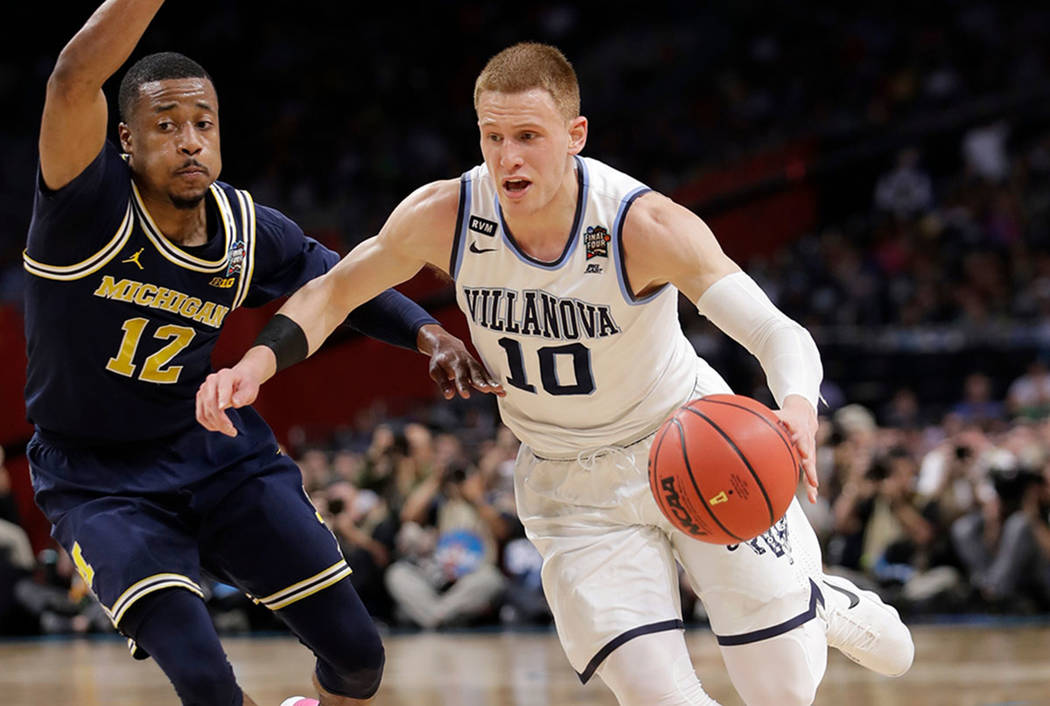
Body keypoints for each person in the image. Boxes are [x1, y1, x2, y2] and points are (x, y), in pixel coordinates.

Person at [199, 43, 914, 705]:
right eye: (492, 136)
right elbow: (333, 290)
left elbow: (773, 330)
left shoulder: (642, 226)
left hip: (686, 441)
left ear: (574, 136)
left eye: (528, 136)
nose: (507, 157)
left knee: (782, 693)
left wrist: (797, 408)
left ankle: (817, 602)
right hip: (573, 488)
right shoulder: (446, 214)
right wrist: (257, 361)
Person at [25, 2, 501, 705]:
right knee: (209, 687)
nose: (190, 142)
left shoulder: (244, 228)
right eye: (166, 127)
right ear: (124, 141)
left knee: (359, 660)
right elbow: (71, 80)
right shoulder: (84, 212)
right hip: (100, 482)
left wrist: (427, 332)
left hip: (216, 453)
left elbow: (340, 284)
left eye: (203, 125)